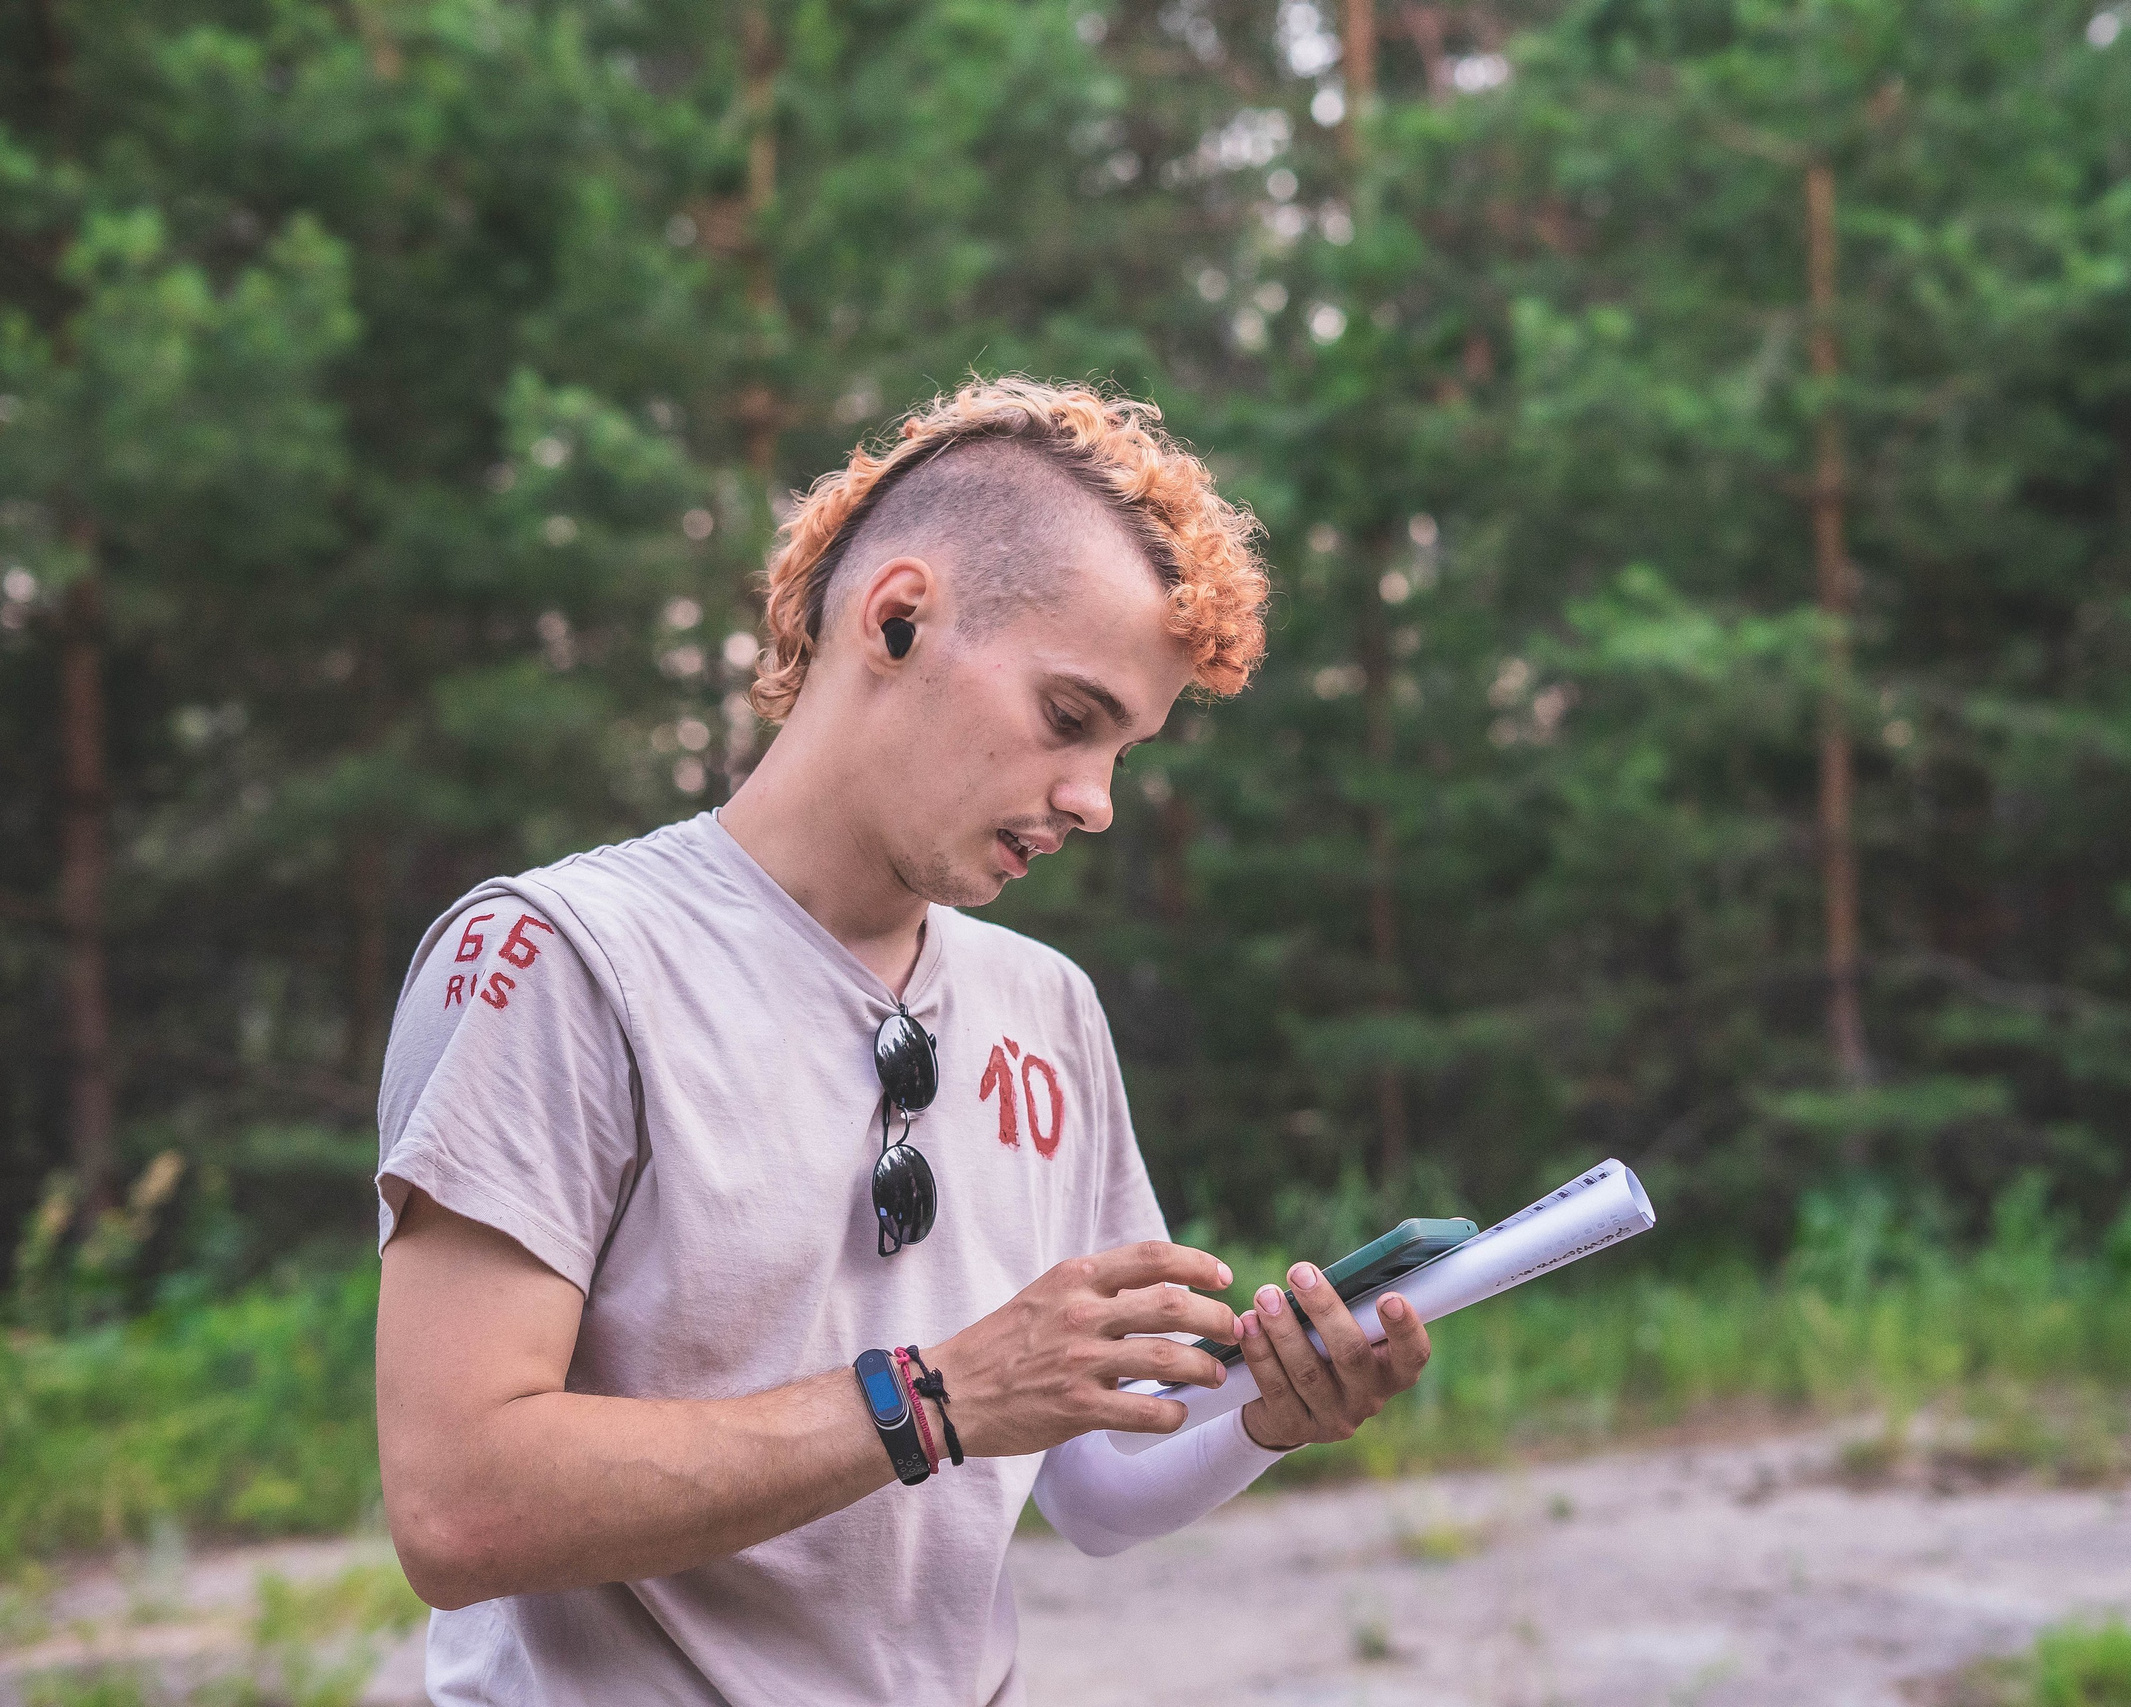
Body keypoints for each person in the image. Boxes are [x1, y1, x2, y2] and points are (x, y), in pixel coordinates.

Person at [371, 379, 1435, 1706]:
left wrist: (1268, 1420)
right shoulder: (555, 960)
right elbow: (458, 1508)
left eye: (1126, 752)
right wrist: (932, 1399)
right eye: (1069, 719)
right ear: (898, 616)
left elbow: (1087, 1488)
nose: (1096, 803)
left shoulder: (1050, 1007)